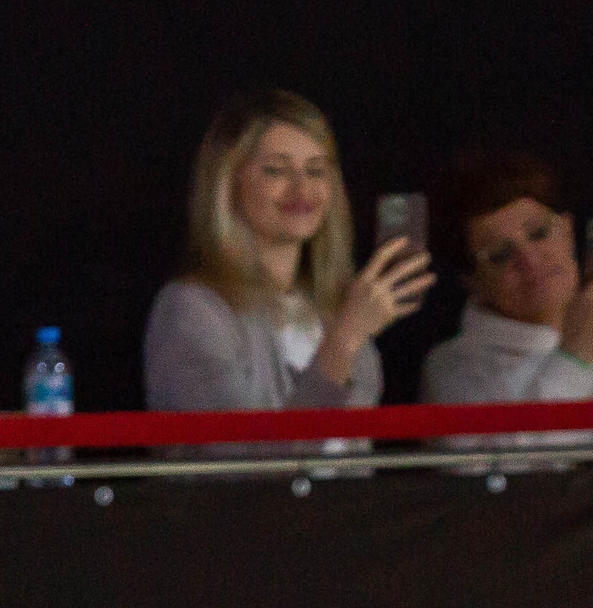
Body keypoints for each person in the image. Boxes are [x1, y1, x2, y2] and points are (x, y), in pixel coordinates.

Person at [143, 91, 432, 416]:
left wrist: (348, 331)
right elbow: (243, 457)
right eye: (276, 171)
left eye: (315, 171)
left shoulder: (335, 308)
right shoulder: (191, 310)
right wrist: (344, 340)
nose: (302, 189)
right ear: (228, 183)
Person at [420, 149, 593, 456]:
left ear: (566, 230)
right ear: (473, 280)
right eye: (500, 253)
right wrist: (574, 358)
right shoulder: (454, 367)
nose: (529, 260)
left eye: (538, 233)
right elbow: (500, 485)